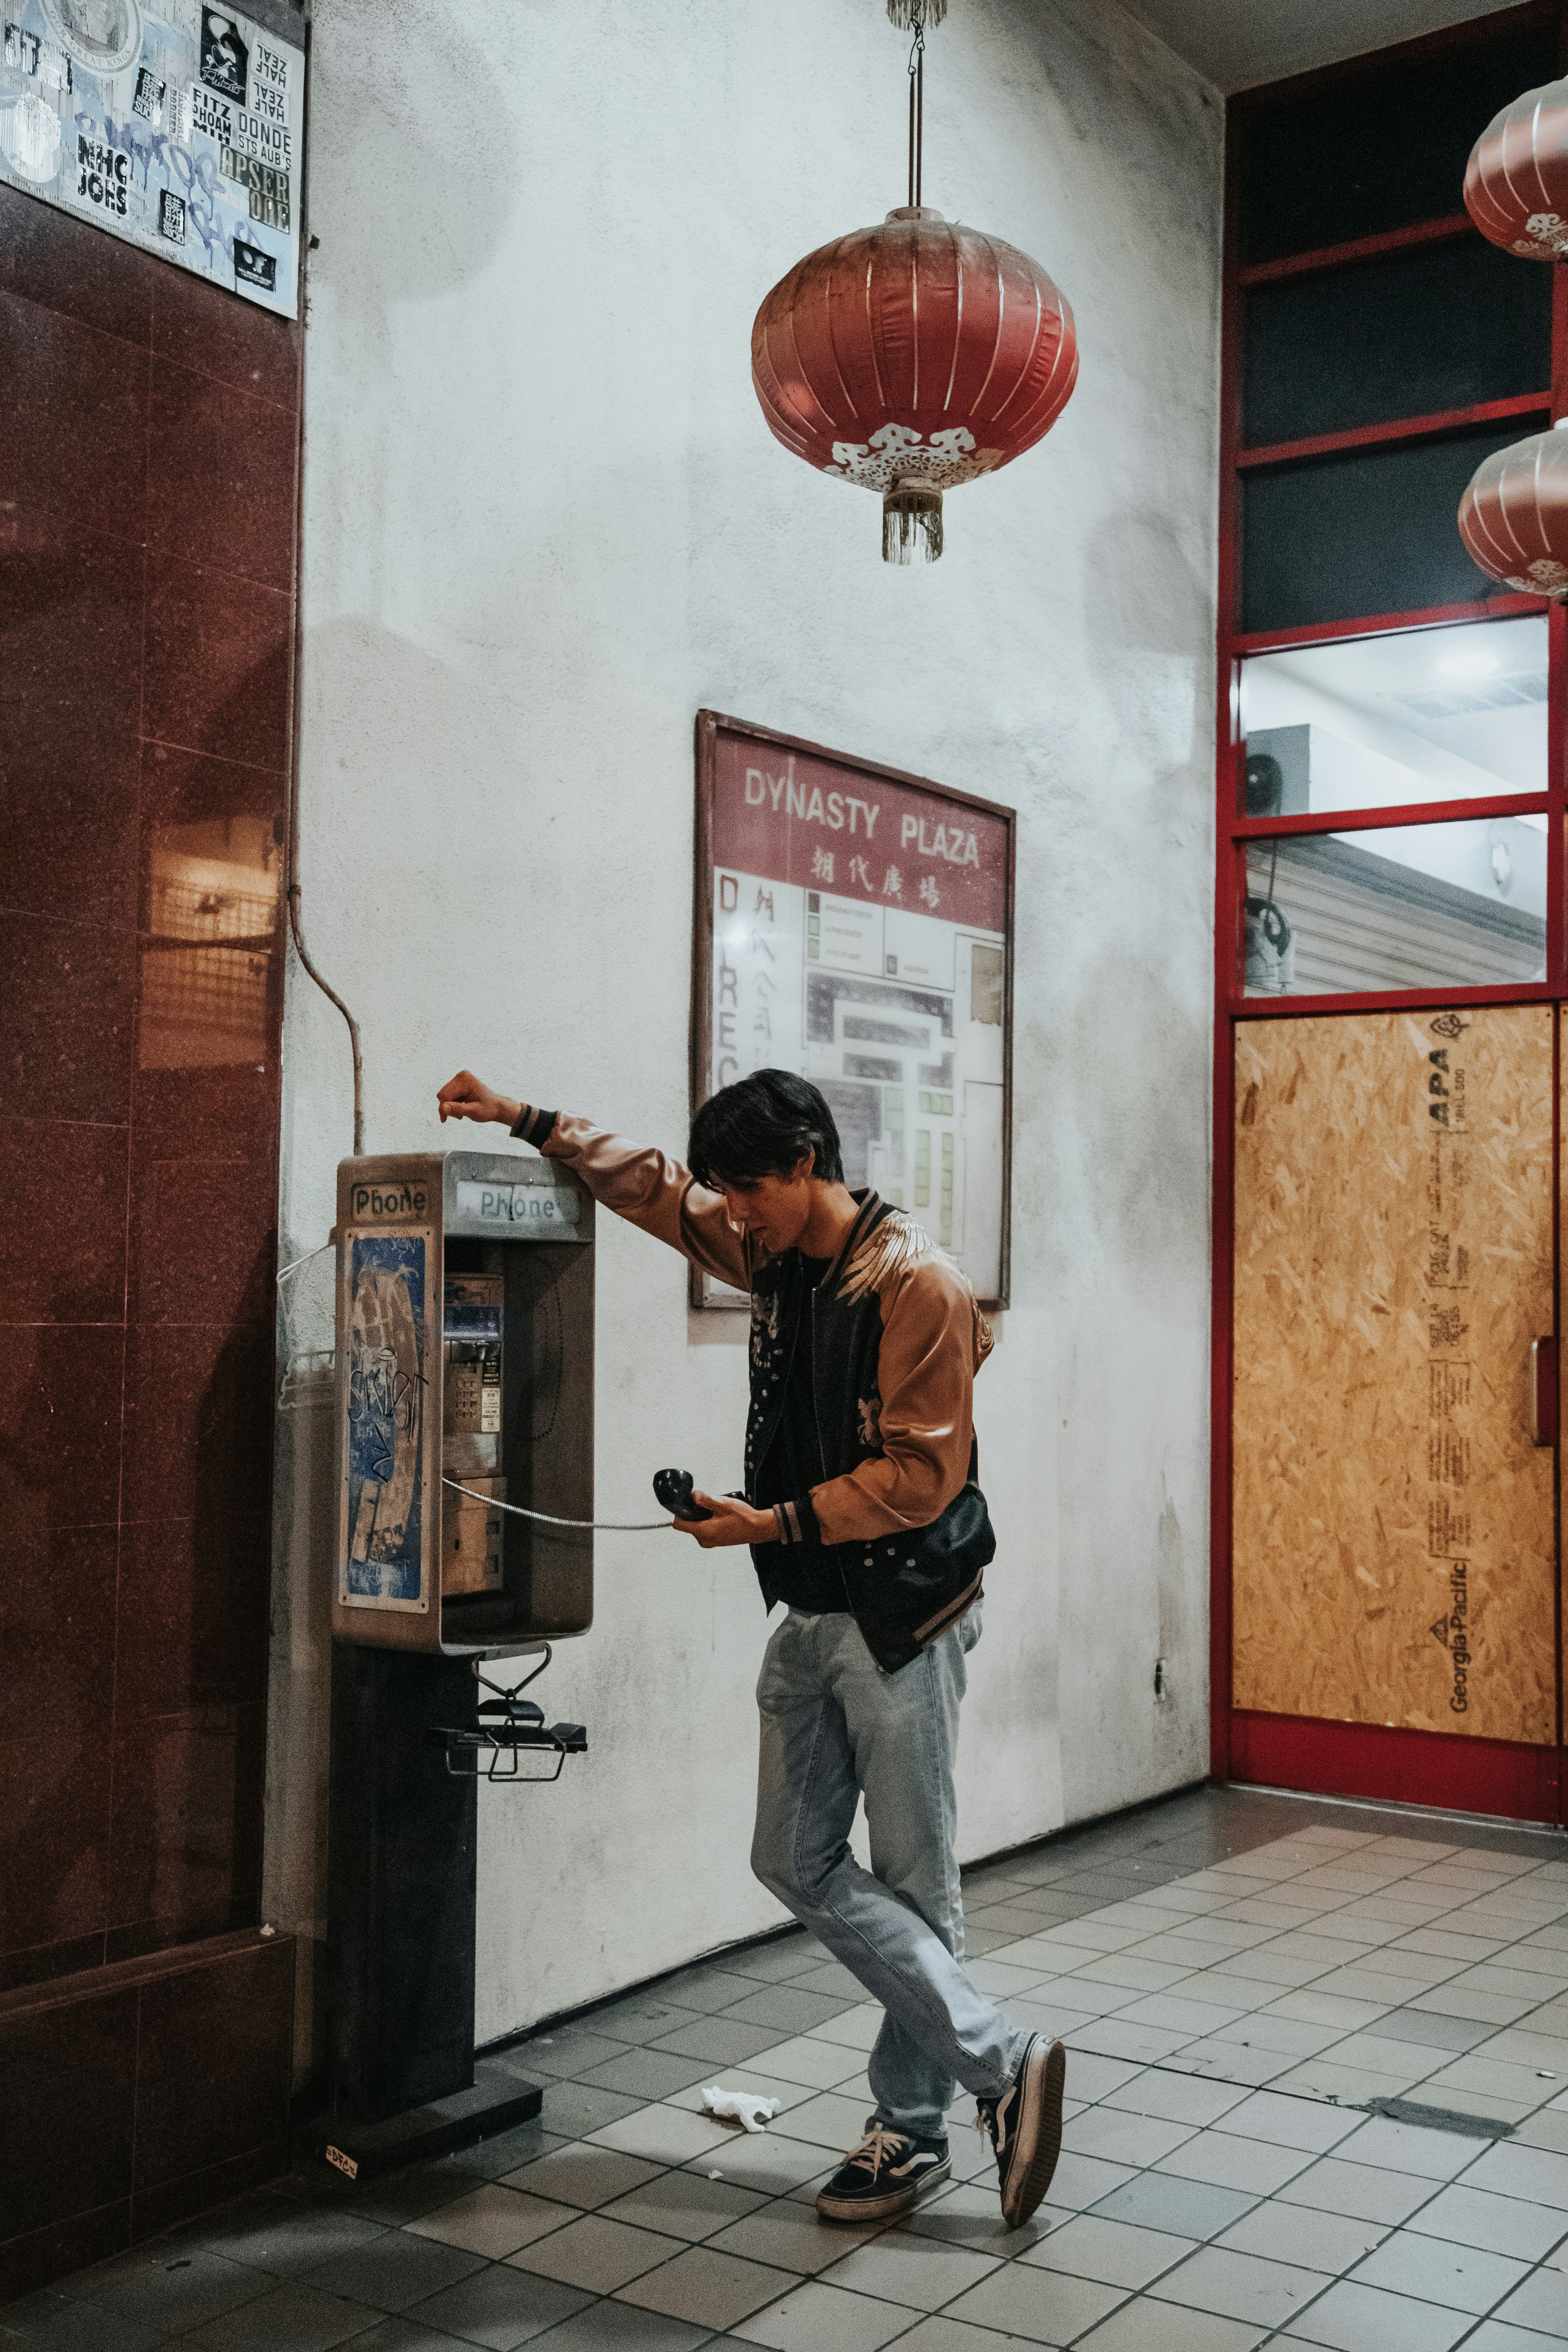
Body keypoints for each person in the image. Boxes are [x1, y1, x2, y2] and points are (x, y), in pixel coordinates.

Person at [435, 1065, 1066, 2229]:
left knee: (919, 1879)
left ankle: (912, 2132)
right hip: (811, 1602)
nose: (729, 1212)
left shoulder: (915, 1280)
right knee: (792, 1857)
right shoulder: (769, 1250)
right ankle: (1001, 2059)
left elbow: (922, 1481)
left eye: (748, 1189)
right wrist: (529, 1122)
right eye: (726, 1193)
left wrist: (766, 1522)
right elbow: (654, 1193)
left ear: (808, 1165)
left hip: (903, 1614)